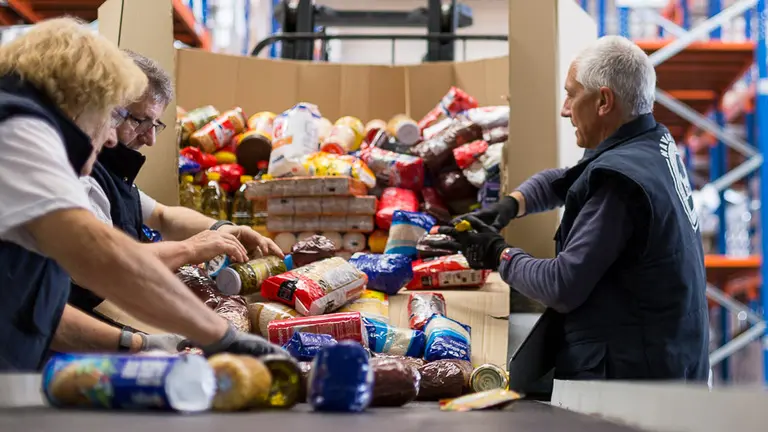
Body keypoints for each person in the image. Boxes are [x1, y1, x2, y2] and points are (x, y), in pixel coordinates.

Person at [0, 17, 283, 371]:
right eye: (114, 114)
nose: (112, 139)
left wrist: (138, 343)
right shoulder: (18, 133)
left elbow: (33, 308)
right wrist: (220, 336)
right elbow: (101, 258)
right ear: (79, 98)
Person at [441, 35, 709, 381]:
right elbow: (568, 179)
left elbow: (562, 285)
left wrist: (497, 254)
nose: (565, 109)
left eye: (571, 94)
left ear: (603, 101)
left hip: (634, 380)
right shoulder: (650, 146)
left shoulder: (620, 183)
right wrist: (510, 206)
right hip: (674, 359)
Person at [70, 51, 282, 337]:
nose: (150, 139)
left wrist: (225, 230)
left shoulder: (112, 172)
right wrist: (192, 248)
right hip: (86, 332)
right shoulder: (83, 177)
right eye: (138, 121)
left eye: (155, 125)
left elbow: (162, 215)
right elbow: (105, 263)